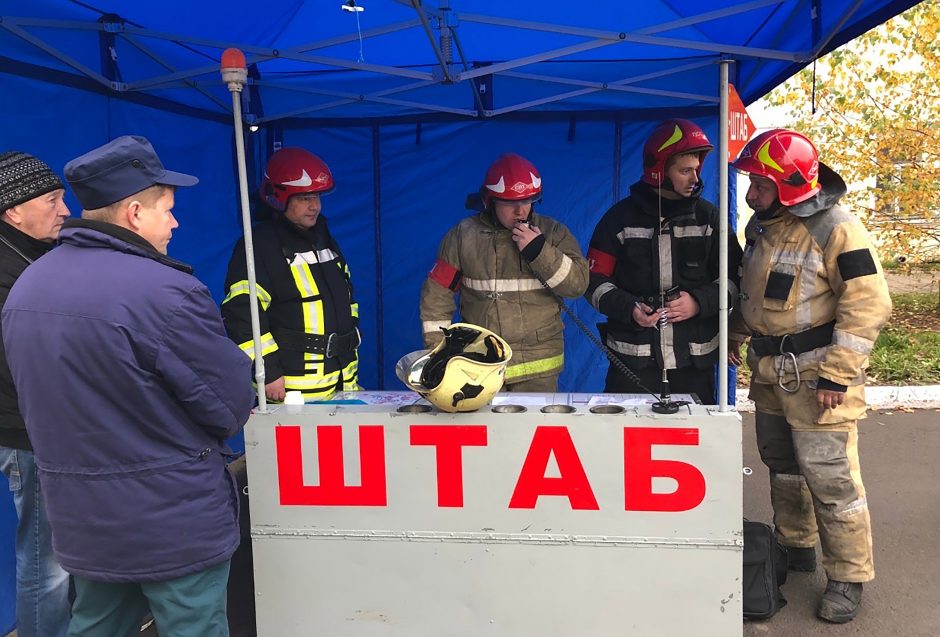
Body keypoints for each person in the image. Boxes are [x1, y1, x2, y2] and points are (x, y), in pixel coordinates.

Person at [1, 135, 254, 637]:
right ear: (135, 213)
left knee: (96, 622)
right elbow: (229, 407)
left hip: (84, 519)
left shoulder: (28, 285)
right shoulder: (167, 292)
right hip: (171, 519)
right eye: (169, 210)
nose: (176, 223)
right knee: (193, 625)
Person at [728, 128, 892, 624]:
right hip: (772, 374)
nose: (750, 193)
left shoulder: (837, 228)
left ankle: (848, 574)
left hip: (820, 377)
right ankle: (796, 544)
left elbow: (868, 302)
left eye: (759, 183)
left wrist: (838, 375)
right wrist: (735, 335)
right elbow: (754, 297)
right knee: (782, 463)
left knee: (832, 478)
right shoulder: (763, 226)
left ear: (790, 185)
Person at [584, 118, 742, 403]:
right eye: (684, 171)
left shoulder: (710, 219)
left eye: (696, 169)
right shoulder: (618, 220)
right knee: (623, 442)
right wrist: (629, 308)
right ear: (658, 170)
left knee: (693, 446)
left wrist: (698, 302)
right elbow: (592, 283)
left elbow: (736, 280)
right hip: (632, 363)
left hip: (694, 364)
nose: (695, 179)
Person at [419, 153, 589, 392]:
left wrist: (540, 252)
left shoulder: (553, 233)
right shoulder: (462, 236)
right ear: (489, 201)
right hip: (480, 366)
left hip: (538, 370)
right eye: (509, 203)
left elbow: (578, 285)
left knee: (533, 430)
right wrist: (438, 353)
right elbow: (437, 296)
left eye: (528, 201)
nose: (520, 211)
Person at [222, 147, 360, 402]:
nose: (315, 206)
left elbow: (347, 297)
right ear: (279, 198)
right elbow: (243, 314)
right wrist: (268, 371)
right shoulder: (258, 245)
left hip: (342, 381)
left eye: (317, 196)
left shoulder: (323, 237)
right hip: (293, 390)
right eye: (304, 198)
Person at [0, 151, 71, 637]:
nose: (64, 209)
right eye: (51, 200)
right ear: (12, 212)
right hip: (31, 434)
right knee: (49, 561)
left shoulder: (36, 256)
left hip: (48, 428)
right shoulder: (8, 271)